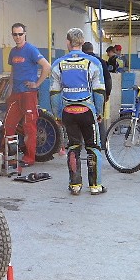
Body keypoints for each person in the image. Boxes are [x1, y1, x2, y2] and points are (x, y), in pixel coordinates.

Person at [50, 28, 106, 196]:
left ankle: (75, 185)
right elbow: (99, 91)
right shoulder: (93, 63)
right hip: (88, 110)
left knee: (73, 147)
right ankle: (95, 186)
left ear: (68, 42)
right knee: (93, 147)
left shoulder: (58, 64)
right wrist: (100, 112)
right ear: (82, 42)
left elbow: (54, 93)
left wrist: (57, 115)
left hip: (68, 111)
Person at [5, 22, 51, 166]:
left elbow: (47, 66)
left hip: (29, 94)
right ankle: (9, 156)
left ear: (25, 34)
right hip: (16, 94)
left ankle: (29, 158)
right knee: (8, 125)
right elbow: (13, 72)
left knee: (29, 127)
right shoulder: (13, 52)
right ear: (12, 35)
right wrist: (10, 90)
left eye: (20, 34)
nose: (17, 37)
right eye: (15, 34)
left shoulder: (31, 49)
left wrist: (37, 84)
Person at [83, 41, 112, 147]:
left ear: (83, 50)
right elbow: (108, 79)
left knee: (83, 117)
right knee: (99, 117)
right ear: (92, 49)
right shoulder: (100, 61)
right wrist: (107, 93)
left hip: (85, 94)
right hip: (100, 93)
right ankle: (102, 143)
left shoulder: (82, 61)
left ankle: (86, 141)